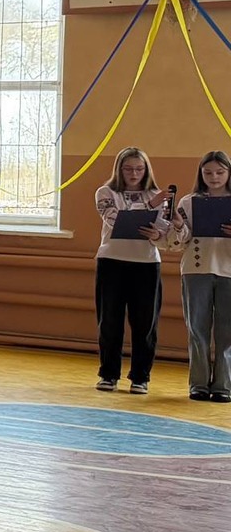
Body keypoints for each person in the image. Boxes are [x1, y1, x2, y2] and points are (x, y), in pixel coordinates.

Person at [93, 147, 172, 393]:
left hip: (146, 263)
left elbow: (165, 233)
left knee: (145, 323)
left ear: (146, 170)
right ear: (119, 169)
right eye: (128, 169)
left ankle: (140, 376)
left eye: (139, 169)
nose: (134, 174)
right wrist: (150, 205)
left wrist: (158, 234)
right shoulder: (106, 192)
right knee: (110, 321)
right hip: (112, 261)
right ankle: (108, 374)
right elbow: (115, 220)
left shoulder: (157, 195)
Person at [173, 151, 231, 402]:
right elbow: (178, 241)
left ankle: (223, 385)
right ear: (200, 174)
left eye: (219, 172)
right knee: (197, 329)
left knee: (227, 332)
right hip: (196, 269)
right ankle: (198, 383)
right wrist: (178, 226)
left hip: (228, 270)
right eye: (208, 173)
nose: (214, 177)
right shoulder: (189, 202)